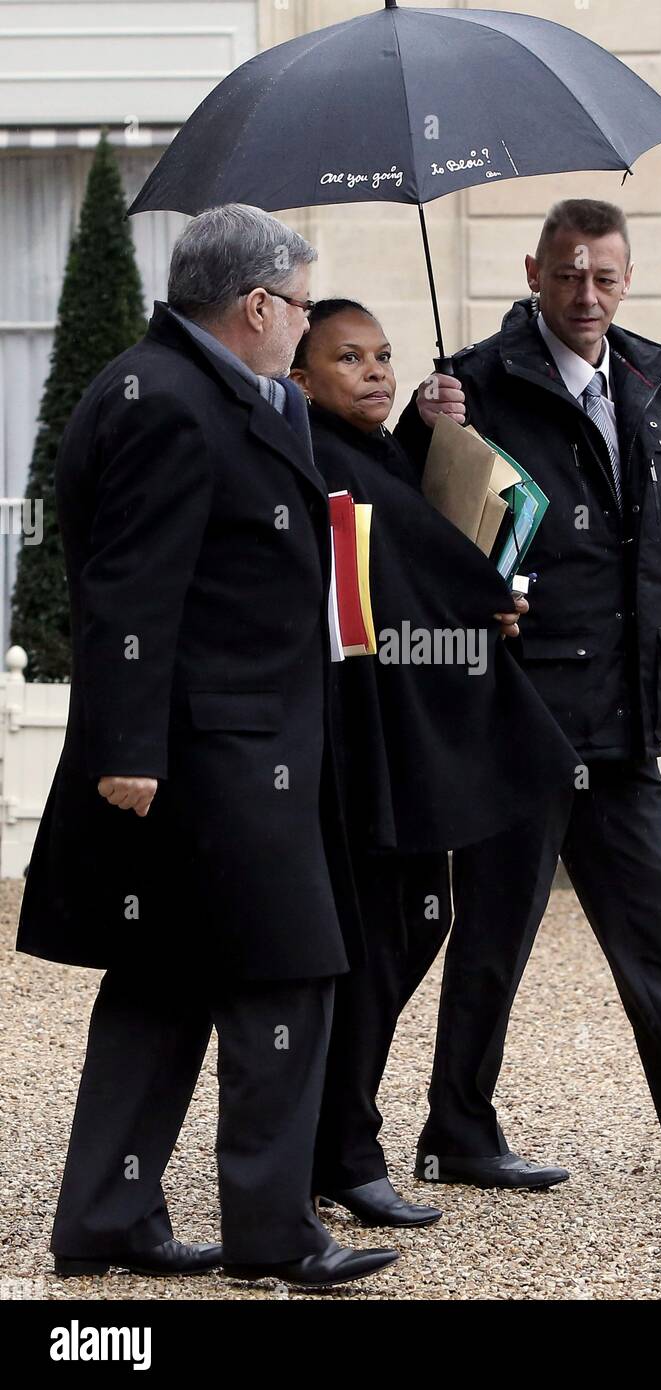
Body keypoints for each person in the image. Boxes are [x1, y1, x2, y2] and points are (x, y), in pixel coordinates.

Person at [395, 198, 661, 1180]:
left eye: (603, 276)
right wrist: (425, 437)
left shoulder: (647, 381)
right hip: (517, 716)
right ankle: (455, 1134)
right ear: (533, 272)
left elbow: (654, 558)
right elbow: (422, 533)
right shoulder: (472, 385)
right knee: (493, 936)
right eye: (567, 274)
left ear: (623, 277)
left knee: (655, 927)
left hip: (623, 717)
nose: (584, 293)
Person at [16, 205, 398, 1288]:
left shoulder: (219, 390)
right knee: (288, 974)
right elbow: (131, 585)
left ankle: (105, 1215)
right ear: (258, 305)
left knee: (162, 982)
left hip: (235, 744)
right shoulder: (168, 403)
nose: (308, 326)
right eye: (304, 305)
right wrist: (127, 749)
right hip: (208, 758)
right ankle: (273, 1233)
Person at [289, 299, 578, 1223]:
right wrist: (479, 593)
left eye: (382, 355)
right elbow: (382, 567)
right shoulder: (315, 457)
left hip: (405, 732)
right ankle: (340, 1147)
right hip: (361, 739)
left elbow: (415, 531)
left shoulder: (371, 447)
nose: (373, 371)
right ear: (299, 378)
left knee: (410, 926)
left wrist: (429, 431)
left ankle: (340, 1138)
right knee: (380, 938)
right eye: (347, 358)